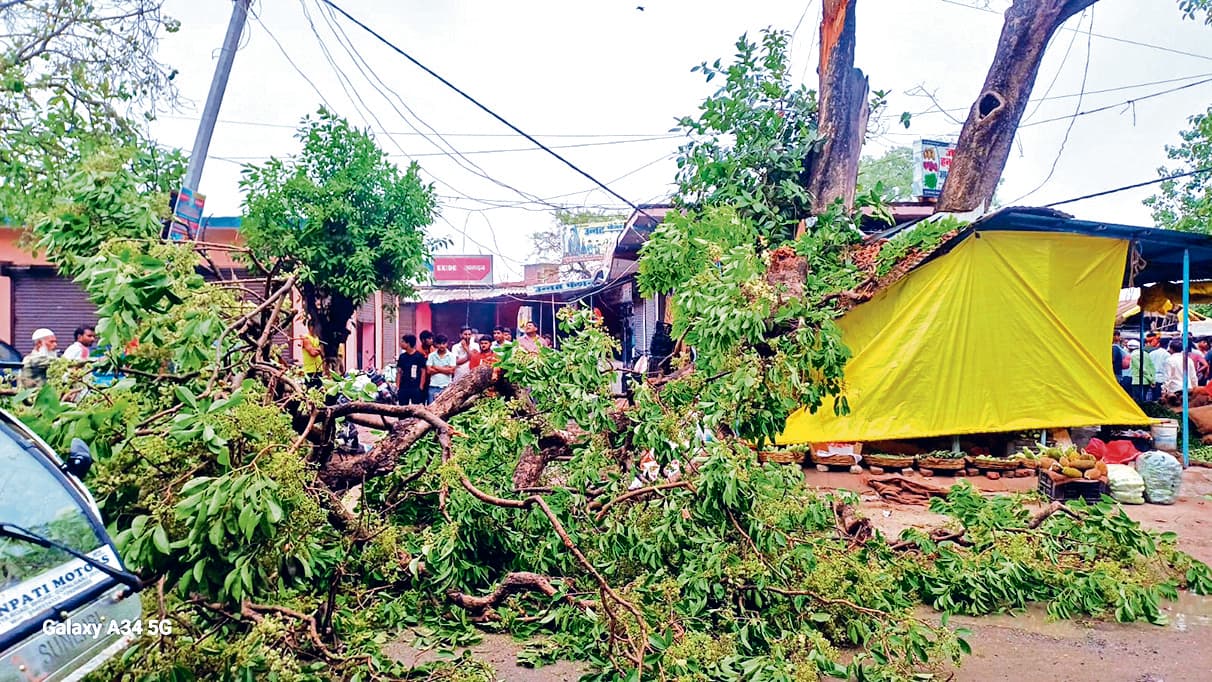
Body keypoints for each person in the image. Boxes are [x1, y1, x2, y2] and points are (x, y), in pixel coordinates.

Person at [395, 333, 427, 404]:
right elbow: (399, 372)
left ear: (408, 343)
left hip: (415, 386)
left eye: (403, 341)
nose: (401, 343)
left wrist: (421, 386)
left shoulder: (419, 356)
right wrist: (397, 386)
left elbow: (423, 372)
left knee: (416, 408)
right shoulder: (402, 357)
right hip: (404, 386)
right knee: (402, 408)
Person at [425, 334, 456, 403]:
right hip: (433, 386)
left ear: (447, 344)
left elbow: (452, 370)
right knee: (431, 408)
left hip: (447, 386)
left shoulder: (451, 356)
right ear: (436, 344)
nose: (442, 346)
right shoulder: (431, 355)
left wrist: (435, 367)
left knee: (446, 409)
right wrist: (445, 368)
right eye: (439, 343)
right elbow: (429, 371)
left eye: (444, 343)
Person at [301, 322, 324, 388]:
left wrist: (317, 350)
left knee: (319, 390)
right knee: (310, 390)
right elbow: (313, 353)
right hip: (310, 370)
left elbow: (322, 352)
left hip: (319, 369)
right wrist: (319, 350)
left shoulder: (317, 338)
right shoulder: (306, 338)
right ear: (310, 327)